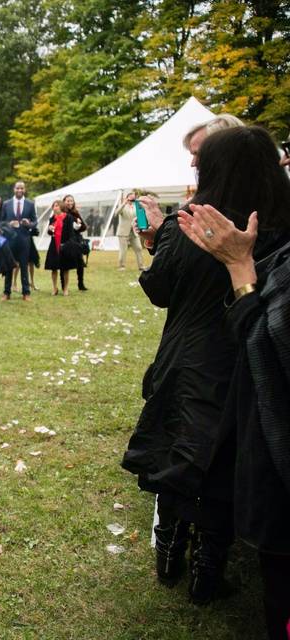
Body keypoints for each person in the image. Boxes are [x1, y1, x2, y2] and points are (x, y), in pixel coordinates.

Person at [120, 127, 282, 605]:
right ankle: (207, 571)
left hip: (188, 358)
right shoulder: (274, 226)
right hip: (242, 358)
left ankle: (171, 557)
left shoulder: (186, 222)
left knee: (178, 458)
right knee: (224, 465)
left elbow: (160, 291)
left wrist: (157, 242)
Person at [173, 127, 290, 636]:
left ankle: (197, 563)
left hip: (238, 381)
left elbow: (273, 337)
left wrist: (239, 268)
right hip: (233, 378)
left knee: (212, 471)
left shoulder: (227, 233)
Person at [0, 181, 36, 300]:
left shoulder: (30, 204)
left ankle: (26, 293)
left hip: (24, 239)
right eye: (17, 188)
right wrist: (8, 224)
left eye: (22, 188)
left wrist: (29, 224)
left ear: (24, 190)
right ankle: (7, 292)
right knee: (9, 265)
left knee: (24, 266)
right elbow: (1, 221)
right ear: (14, 189)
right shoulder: (6, 204)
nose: (19, 190)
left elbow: (35, 222)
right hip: (10, 239)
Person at [43, 200, 76, 295]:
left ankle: (66, 288)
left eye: (56, 205)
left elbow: (71, 233)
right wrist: (49, 230)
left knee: (65, 268)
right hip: (54, 245)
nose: (54, 207)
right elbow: (50, 233)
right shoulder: (52, 218)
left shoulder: (68, 217)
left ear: (61, 206)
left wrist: (66, 245)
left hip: (64, 245)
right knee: (53, 268)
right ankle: (54, 288)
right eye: (53, 206)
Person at [61, 195, 89, 291]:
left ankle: (81, 284)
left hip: (76, 240)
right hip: (66, 240)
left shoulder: (75, 213)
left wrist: (78, 225)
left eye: (71, 201)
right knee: (64, 263)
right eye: (68, 201)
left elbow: (84, 227)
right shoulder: (61, 213)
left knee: (80, 262)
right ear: (64, 201)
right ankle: (63, 285)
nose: (70, 203)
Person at [116, 192, 145, 271]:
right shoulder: (123, 206)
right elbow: (116, 213)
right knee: (123, 250)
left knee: (139, 248)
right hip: (123, 232)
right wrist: (124, 203)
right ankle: (122, 266)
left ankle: (141, 266)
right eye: (131, 198)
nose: (132, 199)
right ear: (127, 198)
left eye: (134, 198)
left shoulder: (136, 206)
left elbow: (140, 216)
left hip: (134, 232)